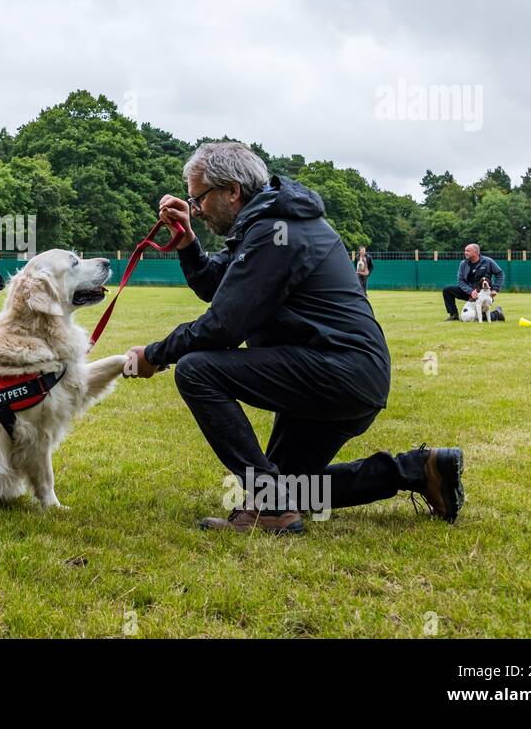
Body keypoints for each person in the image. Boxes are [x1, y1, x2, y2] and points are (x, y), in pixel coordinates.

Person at [122, 142, 463, 534]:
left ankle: (270, 506)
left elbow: (223, 326)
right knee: (293, 489)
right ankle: (418, 470)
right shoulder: (271, 222)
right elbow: (216, 286)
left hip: (338, 371)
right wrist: (186, 241)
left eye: (198, 198)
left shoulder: (274, 231)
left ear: (232, 191)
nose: (195, 209)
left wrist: (155, 354)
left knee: (197, 371)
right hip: (348, 373)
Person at [441, 243, 503, 321]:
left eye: (468, 251)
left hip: (483, 294)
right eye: (465, 251)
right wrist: (470, 291)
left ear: (476, 252)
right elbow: (460, 280)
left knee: (478, 318)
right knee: (447, 290)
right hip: (468, 292)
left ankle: (497, 314)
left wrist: (495, 289)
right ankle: (453, 315)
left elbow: (500, 274)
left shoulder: (488, 261)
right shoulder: (463, 263)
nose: (465, 253)